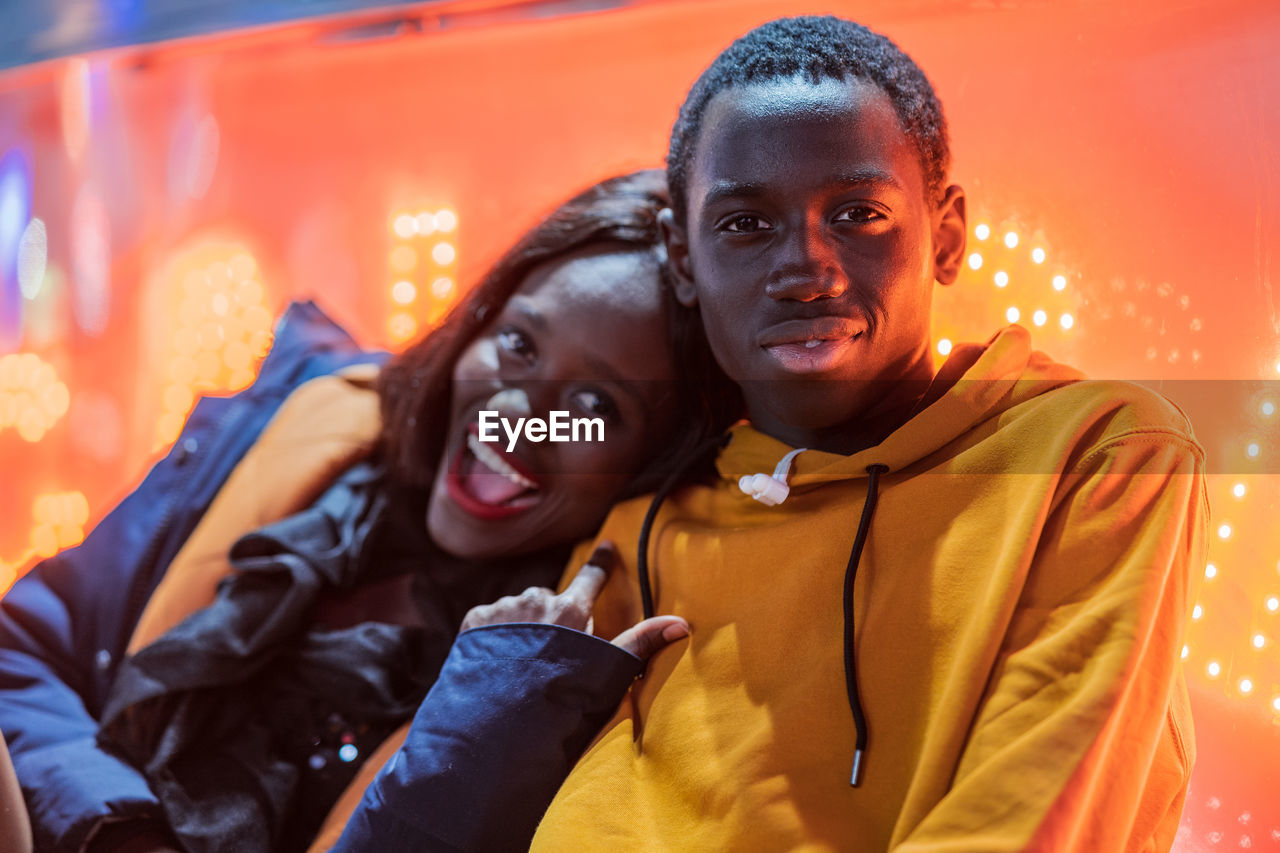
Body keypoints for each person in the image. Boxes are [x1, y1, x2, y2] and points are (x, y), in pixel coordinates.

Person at [521, 16, 1206, 852]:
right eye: (744, 224)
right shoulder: (643, 525)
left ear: (946, 236)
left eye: (856, 212)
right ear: (683, 257)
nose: (807, 269)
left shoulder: (1096, 453)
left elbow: (1038, 819)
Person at [0, 169, 737, 852]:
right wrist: (122, 833)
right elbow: (23, 649)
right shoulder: (300, 420)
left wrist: (497, 697)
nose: (516, 415)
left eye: (593, 406)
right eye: (516, 344)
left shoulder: (577, 668)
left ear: (656, 462)